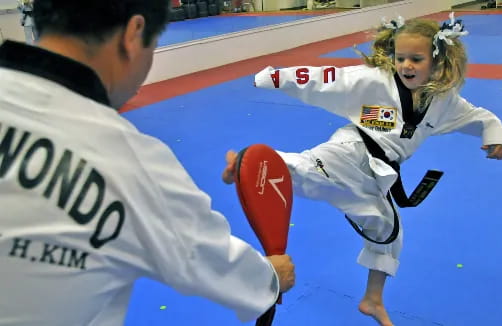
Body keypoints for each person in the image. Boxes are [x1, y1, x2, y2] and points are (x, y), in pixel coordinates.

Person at [0, 0, 295, 325]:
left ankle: (367, 298)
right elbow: (215, 260)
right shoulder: (129, 160)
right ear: (134, 33)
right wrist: (270, 275)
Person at [223, 13, 502, 326]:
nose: (406, 66)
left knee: (388, 232)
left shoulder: (445, 102)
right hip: (352, 150)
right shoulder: (375, 81)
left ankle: (372, 299)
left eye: (416, 59)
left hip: (380, 175)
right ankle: (252, 164)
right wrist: (275, 78)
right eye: (401, 58)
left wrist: (495, 138)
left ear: (437, 60)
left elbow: (481, 117)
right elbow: (324, 79)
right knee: (312, 171)